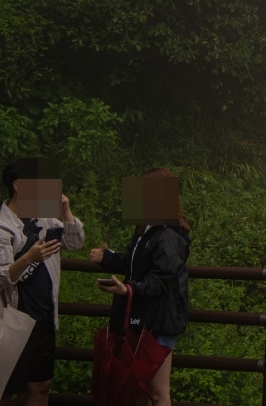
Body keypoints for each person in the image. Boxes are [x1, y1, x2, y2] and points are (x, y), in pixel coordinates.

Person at [91, 167, 191, 406]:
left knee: (157, 392)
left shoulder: (168, 235)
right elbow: (132, 262)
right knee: (139, 389)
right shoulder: (144, 229)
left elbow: (159, 280)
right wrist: (106, 258)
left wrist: (128, 290)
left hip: (158, 322)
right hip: (142, 318)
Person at [1, 161, 85, 406]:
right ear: (18, 185)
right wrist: (29, 258)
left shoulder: (45, 219)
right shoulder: (3, 225)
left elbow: (75, 243)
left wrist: (66, 210)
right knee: (4, 388)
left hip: (43, 319)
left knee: (40, 385)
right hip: (10, 320)